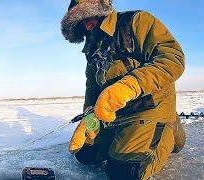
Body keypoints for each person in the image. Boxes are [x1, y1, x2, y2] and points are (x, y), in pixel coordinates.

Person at [61, 0, 186, 179]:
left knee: (123, 173)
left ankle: (169, 127)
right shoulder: (93, 46)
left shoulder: (137, 21)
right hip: (116, 114)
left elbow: (172, 58)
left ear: (101, 9)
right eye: (80, 21)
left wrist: (129, 86)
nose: (87, 24)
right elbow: (93, 86)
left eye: (88, 16)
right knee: (86, 155)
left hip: (148, 108)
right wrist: (90, 118)